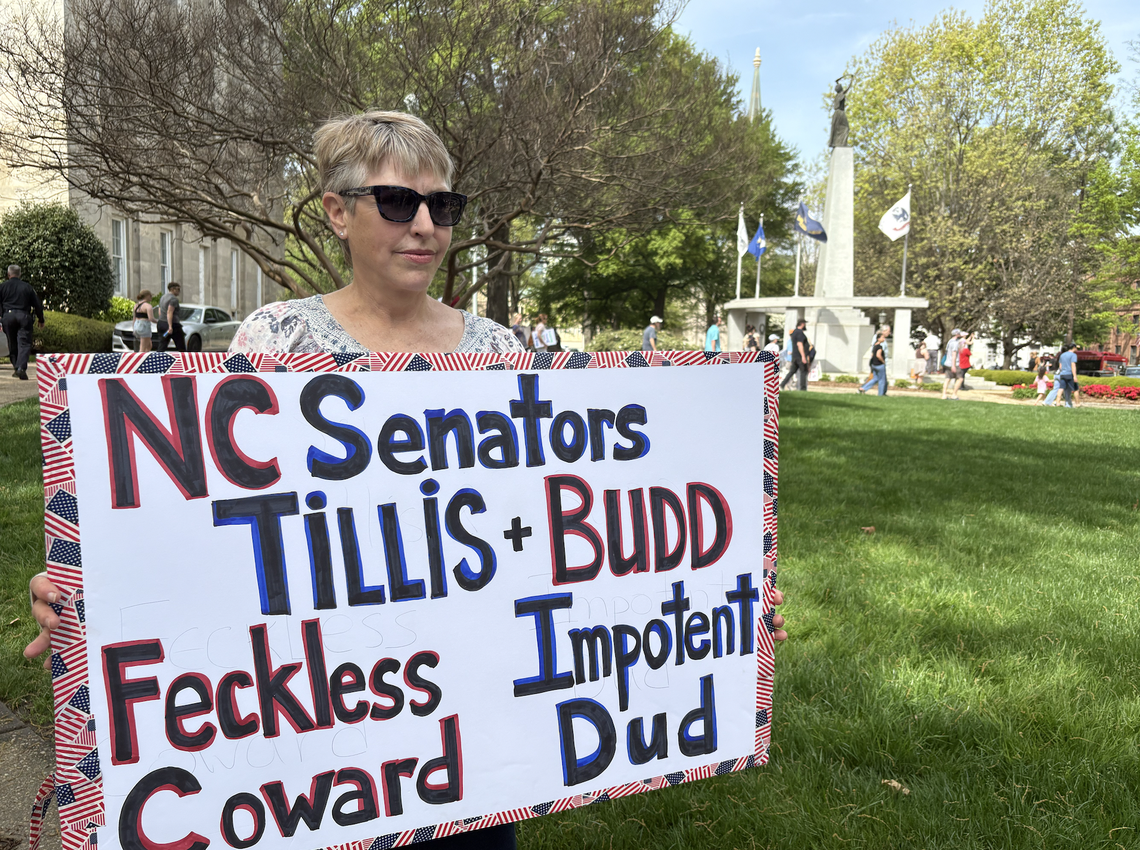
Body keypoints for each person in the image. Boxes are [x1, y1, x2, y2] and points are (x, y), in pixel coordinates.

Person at [21, 112, 792, 848]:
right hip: (320, 734)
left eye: (441, 205)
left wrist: (722, 597)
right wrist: (93, 597)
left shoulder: (496, 350)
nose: (424, 225)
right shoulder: (273, 342)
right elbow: (200, 522)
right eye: (396, 201)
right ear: (336, 211)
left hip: (469, 742)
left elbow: (558, 528)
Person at [0, 264, 44, 380]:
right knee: (24, 343)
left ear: (8, 274)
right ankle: (21, 368)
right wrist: (41, 319)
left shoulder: (2, 287)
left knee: (12, 343)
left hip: (7, 316)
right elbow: (37, 305)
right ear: (19, 274)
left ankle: (16, 367)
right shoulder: (27, 287)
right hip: (23, 316)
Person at [858, 325, 891, 395]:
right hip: (879, 364)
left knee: (875, 378)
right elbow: (878, 354)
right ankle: (881, 394)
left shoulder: (878, 343)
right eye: (888, 331)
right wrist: (883, 361)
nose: (889, 333)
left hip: (874, 364)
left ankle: (863, 388)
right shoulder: (879, 345)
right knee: (882, 380)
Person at [780, 318, 811, 391]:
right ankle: (803, 389)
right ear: (802, 324)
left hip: (794, 356)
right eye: (805, 324)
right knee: (803, 371)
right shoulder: (800, 333)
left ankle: (782, 384)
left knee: (792, 371)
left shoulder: (794, 333)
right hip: (800, 356)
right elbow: (800, 344)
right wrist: (803, 356)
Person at [156, 281, 186, 351]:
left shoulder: (163, 297)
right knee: (180, 344)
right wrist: (170, 326)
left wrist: (161, 320)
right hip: (173, 324)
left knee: (162, 344)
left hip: (161, 323)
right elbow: (170, 311)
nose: (179, 291)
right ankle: (184, 359)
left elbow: (160, 310)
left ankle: (158, 357)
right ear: (172, 289)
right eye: (178, 289)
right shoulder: (173, 299)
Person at [1055, 341, 1081, 408]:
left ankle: (1057, 402)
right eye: (1076, 348)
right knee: (1075, 389)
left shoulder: (1062, 355)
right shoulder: (1073, 355)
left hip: (1063, 374)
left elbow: (1060, 366)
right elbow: (1073, 365)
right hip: (1070, 374)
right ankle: (1077, 403)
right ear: (1073, 347)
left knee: (1061, 388)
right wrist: (1075, 376)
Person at [941, 329, 962, 399]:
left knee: (947, 379)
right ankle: (954, 394)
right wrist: (953, 366)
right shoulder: (955, 343)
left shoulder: (949, 342)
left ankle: (944, 394)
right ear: (956, 334)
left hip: (947, 363)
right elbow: (954, 354)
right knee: (960, 378)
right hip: (954, 364)